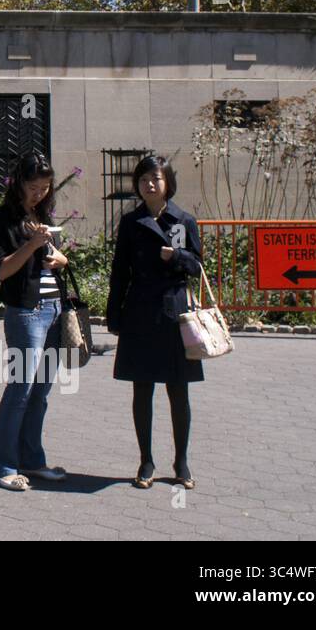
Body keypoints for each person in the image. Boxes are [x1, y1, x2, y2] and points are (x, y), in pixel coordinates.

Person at [105, 153, 204, 490]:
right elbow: (120, 271)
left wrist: (176, 256)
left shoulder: (183, 220)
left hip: (175, 313)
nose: (149, 184)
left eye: (156, 178)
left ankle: (182, 461)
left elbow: (197, 267)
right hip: (140, 311)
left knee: (179, 390)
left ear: (167, 184)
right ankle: (146, 460)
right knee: (142, 388)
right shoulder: (130, 223)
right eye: (144, 178)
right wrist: (114, 313)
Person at [0, 152, 70, 491]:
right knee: (20, 389)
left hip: (54, 310)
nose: (40, 194)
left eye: (46, 188)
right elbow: (3, 270)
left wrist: (59, 257)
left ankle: (32, 460)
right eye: (34, 187)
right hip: (25, 313)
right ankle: (1, 465)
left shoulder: (43, 216)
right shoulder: (1, 219)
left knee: (41, 392)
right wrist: (33, 243)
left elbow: (53, 260)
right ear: (18, 183)